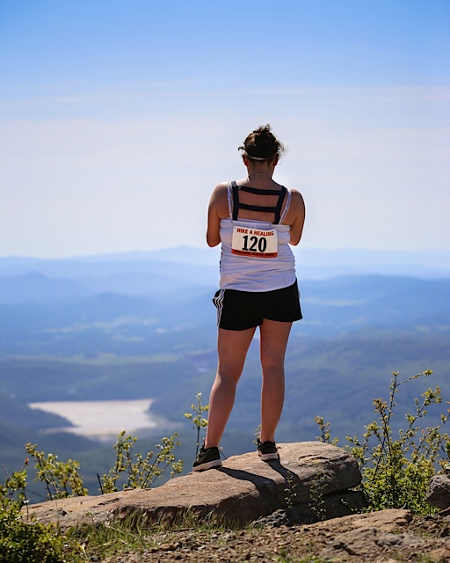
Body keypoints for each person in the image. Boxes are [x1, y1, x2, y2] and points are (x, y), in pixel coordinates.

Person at [193, 124, 305, 471]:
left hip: (238, 291)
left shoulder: (222, 195)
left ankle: (210, 451)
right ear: (275, 160)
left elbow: (212, 240)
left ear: (245, 159)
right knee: (273, 366)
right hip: (280, 289)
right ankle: (268, 443)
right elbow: (296, 239)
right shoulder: (292, 200)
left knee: (227, 373)